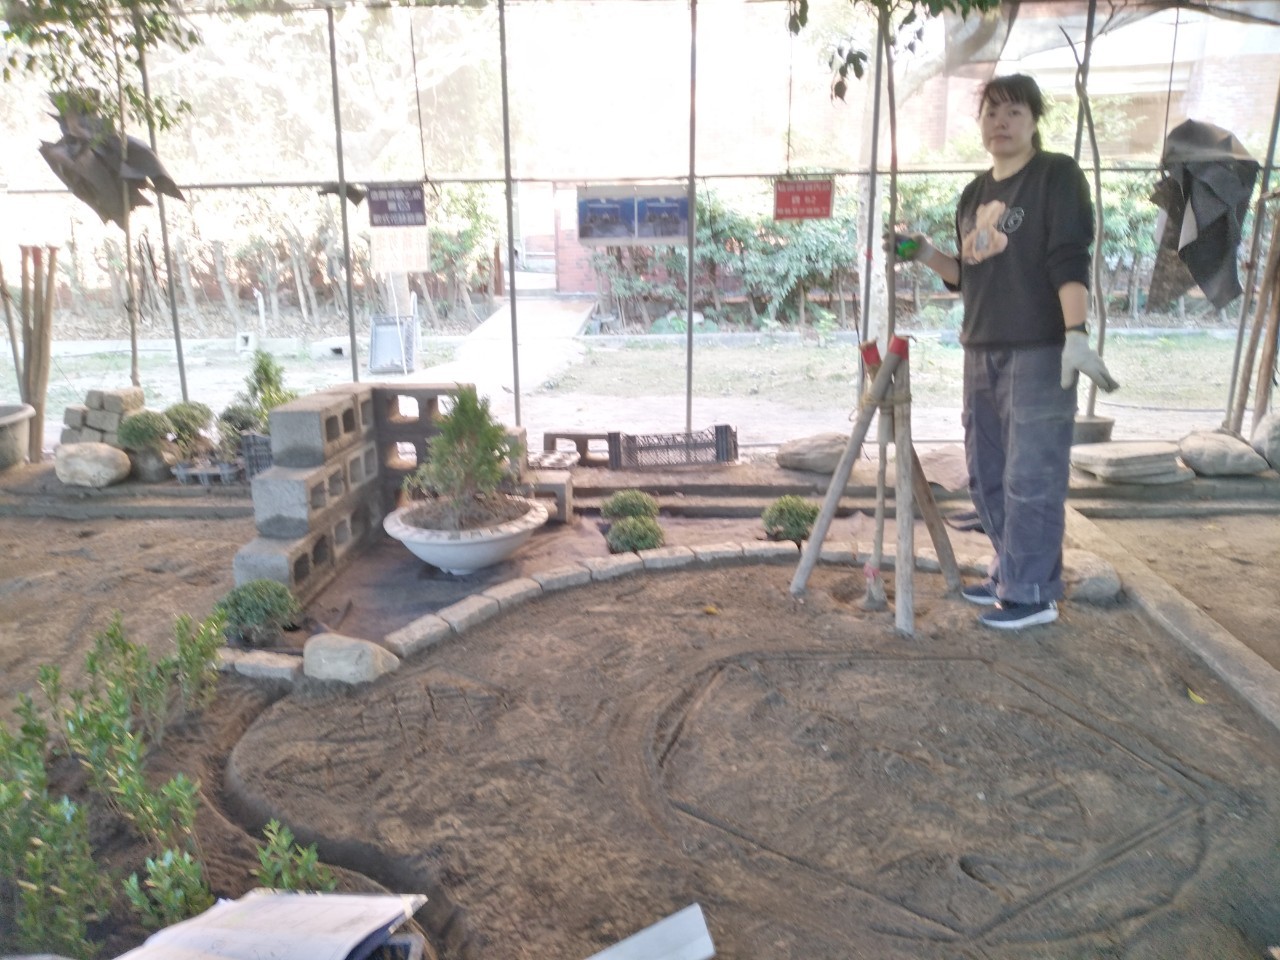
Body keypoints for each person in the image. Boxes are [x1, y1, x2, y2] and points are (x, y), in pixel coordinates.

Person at [891, 73, 1119, 631]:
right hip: (981, 347)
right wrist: (921, 251)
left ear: (1034, 120)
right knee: (986, 474)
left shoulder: (1056, 176)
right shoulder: (973, 194)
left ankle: (1034, 595)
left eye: (1014, 111)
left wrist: (1076, 333)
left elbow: (1068, 257)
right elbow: (966, 274)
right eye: (992, 112)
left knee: (1031, 475)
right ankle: (1010, 573)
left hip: (1040, 349)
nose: (1001, 122)